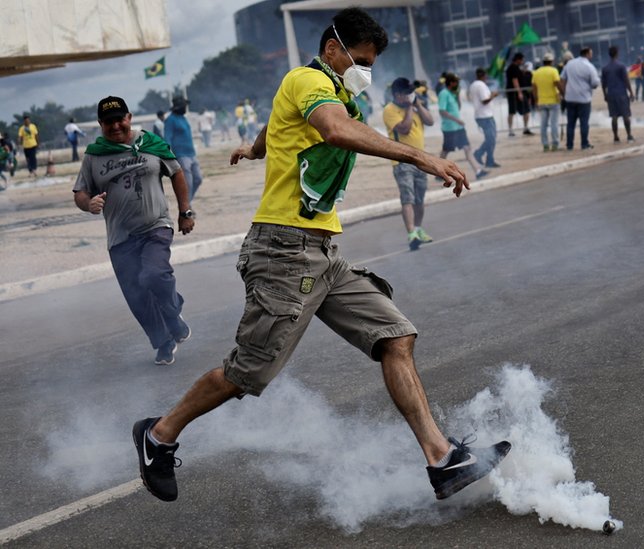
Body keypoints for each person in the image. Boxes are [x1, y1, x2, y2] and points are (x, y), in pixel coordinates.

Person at [131, 7, 510, 504]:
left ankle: (441, 459)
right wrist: (421, 156)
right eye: (362, 59)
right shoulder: (308, 80)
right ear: (332, 49)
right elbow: (332, 129)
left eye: (371, 62)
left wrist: (256, 148)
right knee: (247, 372)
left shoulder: (332, 92)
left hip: (323, 254)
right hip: (284, 251)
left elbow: (279, 124)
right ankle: (157, 436)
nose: (366, 70)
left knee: (396, 336)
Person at [73, 96, 193, 365]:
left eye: (119, 120)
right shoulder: (94, 154)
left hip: (155, 226)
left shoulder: (151, 143)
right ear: (100, 124)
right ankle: (163, 342)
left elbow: (177, 172)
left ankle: (173, 311)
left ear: (129, 118)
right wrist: (88, 203)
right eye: (108, 122)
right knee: (137, 297)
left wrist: (185, 212)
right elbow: (80, 191)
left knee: (154, 274)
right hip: (119, 237)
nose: (115, 126)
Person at [383, 77, 436, 250]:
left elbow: (430, 121)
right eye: (407, 93)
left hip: (421, 160)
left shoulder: (414, 106)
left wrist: (418, 105)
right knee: (408, 197)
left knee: (420, 199)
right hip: (402, 160)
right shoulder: (389, 110)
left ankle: (419, 229)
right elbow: (404, 128)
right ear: (398, 95)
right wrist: (408, 109)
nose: (409, 95)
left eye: (411, 92)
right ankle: (411, 233)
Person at [438, 73, 488, 180]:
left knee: (467, 148)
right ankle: (438, 171)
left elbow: (458, 108)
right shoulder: (444, 93)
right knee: (446, 150)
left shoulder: (452, 94)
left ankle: (478, 170)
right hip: (450, 128)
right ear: (451, 83)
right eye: (456, 82)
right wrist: (457, 120)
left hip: (459, 128)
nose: (458, 84)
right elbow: (442, 111)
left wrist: (457, 96)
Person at [164, 96, 204, 199]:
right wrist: (170, 157)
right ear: (179, 106)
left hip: (191, 154)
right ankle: (187, 207)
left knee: (198, 179)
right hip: (181, 155)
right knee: (188, 183)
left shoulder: (183, 118)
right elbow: (167, 139)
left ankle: (187, 202)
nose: (186, 108)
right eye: (184, 106)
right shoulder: (170, 120)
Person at [560, 47, 600, 151]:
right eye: (591, 53)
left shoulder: (569, 64)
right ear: (587, 54)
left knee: (570, 124)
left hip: (570, 99)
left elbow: (562, 80)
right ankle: (584, 144)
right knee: (584, 123)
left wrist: (564, 94)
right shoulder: (589, 66)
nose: (592, 55)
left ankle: (569, 145)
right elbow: (595, 83)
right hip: (584, 99)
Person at [469, 68, 502, 167]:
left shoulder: (473, 85)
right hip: (486, 116)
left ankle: (489, 160)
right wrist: (493, 95)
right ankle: (479, 154)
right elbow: (484, 100)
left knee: (490, 138)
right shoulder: (481, 85)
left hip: (480, 115)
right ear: (484, 76)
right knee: (491, 139)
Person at [602, 45, 635, 143]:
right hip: (621, 94)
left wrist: (605, 95)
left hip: (611, 94)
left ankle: (616, 137)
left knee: (614, 116)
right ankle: (629, 135)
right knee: (625, 115)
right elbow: (626, 80)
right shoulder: (621, 66)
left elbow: (603, 84)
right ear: (617, 54)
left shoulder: (605, 68)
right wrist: (631, 92)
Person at [533, 52, 565, 151]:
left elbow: (534, 87)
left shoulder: (537, 72)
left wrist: (536, 99)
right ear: (551, 61)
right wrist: (563, 93)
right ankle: (555, 144)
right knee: (554, 123)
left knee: (543, 124)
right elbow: (557, 83)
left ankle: (545, 145)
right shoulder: (553, 71)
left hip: (542, 101)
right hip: (553, 100)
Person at [506, 53, 532, 137]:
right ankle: (511, 130)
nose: (522, 61)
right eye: (521, 60)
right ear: (518, 59)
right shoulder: (513, 68)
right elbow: (515, 81)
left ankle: (525, 128)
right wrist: (519, 93)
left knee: (525, 110)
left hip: (516, 92)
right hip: (514, 93)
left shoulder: (516, 68)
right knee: (512, 111)